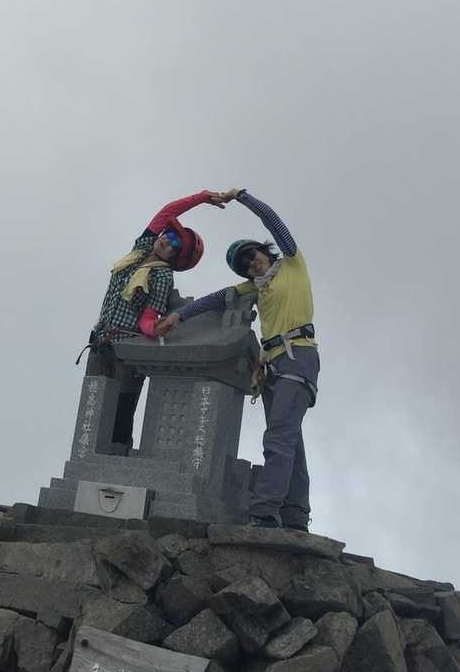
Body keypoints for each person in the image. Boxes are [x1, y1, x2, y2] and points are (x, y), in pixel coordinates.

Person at [156, 189, 318, 530]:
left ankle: (264, 513)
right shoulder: (255, 287)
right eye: (243, 264)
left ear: (263, 250)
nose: (251, 263)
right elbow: (217, 299)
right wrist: (179, 316)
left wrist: (242, 196)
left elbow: (273, 221)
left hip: (297, 356)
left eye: (251, 254)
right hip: (271, 365)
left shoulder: (292, 264)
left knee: (278, 439)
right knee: (290, 441)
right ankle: (295, 515)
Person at [88, 188, 239, 451]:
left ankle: (117, 455)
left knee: (121, 410)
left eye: (174, 246)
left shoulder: (162, 276)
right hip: (100, 341)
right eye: (169, 236)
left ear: (176, 258)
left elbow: (148, 316)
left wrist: (155, 328)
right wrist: (203, 197)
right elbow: (168, 212)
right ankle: (88, 457)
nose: (167, 243)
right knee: (92, 406)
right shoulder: (138, 251)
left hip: (127, 348)